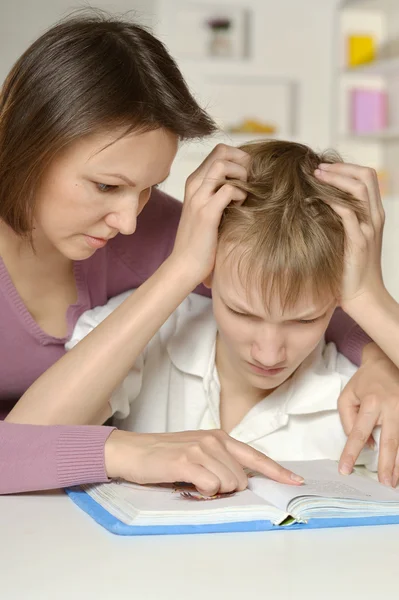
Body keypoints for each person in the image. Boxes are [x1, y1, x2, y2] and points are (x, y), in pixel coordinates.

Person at [1, 12, 398, 494]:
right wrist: (121, 450)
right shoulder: (169, 247)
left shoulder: (163, 228)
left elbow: (299, 297)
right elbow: (27, 442)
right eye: (106, 185)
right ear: (25, 142)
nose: (130, 221)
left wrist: (379, 359)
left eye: (149, 188)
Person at [63, 140, 387, 489]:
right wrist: (183, 264)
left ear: (339, 296)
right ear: (208, 270)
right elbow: (25, 445)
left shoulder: (364, 392)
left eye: (304, 320)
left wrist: (369, 297)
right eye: (242, 313)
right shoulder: (142, 336)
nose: (268, 353)